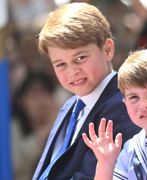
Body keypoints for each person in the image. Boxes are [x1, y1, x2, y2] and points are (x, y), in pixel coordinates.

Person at [32, 2, 141, 179]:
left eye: (80, 58)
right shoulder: (71, 105)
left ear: (107, 49)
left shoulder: (125, 106)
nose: (72, 71)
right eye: (60, 64)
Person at [82, 48, 147, 180]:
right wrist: (105, 163)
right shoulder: (131, 148)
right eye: (134, 97)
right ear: (124, 103)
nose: (143, 105)